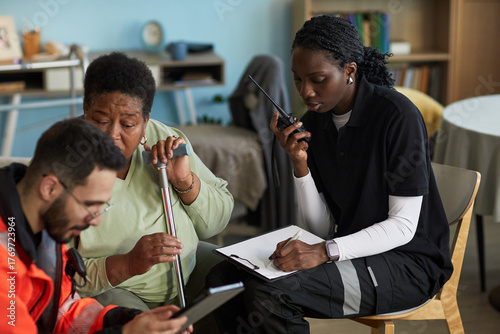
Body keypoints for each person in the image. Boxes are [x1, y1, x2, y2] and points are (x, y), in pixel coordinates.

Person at [206, 15, 453, 333]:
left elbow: (403, 227)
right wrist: (300, 165)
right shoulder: (316, 125)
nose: (305, 91)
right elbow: (321, 227)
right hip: (349, 249)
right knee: (223, 281)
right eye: (298, 80)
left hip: (407, 264)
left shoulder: (397, 117)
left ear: (349, 71)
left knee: (270, 292)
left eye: (318, 79)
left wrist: (324, 252)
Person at [71, 52, 234, 314]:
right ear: (85, 111)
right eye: (100, 121)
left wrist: (184, 181)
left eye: (128, 124)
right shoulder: (62, 162)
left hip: (187, 272)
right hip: (115, 287)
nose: (113, 135)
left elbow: (216, 223)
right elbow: (55, 273)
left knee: (246, 284)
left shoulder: (165, 138)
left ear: (146, 122)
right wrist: (127, 264)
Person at [0, 118, 192, 334]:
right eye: (90, 206)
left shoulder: (44, 228)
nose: (95, 220)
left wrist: (131, 321)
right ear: (49, 188)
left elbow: (65, 311)